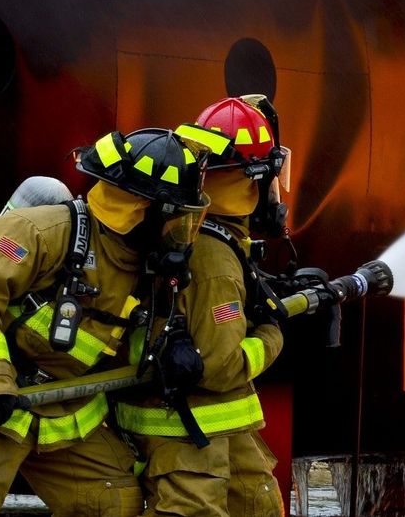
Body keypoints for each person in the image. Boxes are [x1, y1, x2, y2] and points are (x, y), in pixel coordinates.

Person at [0, 128, 210, 516]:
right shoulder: (41, 232)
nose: (182, 233)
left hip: (60, 413)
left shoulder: (144, 266)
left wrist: (170, 345)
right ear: (142, 209)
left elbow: (126, 338)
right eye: (178, 218)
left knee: (113, 504)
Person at [113, 95, 291, 517]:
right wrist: (271, 334)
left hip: (215, 425)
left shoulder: (201, 229)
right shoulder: (214, 259)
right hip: (187, 431)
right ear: (256, 177)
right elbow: (221, 366)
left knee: (259, 506)